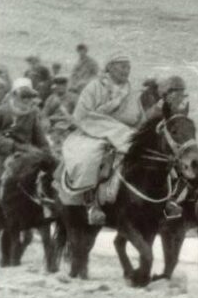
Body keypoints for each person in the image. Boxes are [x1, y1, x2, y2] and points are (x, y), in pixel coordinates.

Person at [61, 54, 143, 224]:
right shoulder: (94, 87)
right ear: (110, 67)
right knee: (89, 156)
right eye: (122, 66)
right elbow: (82, 115)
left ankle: (164, 201)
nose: (126, 71)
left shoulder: (132, 92)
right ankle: (90, 202)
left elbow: (139, 118)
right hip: (92, 132)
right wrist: (110, 121)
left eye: (128, 67)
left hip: (125, 133)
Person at [0, 78, 51, 220]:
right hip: (1, 153)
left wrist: (46, 152)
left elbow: (39, 136)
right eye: (23, 96)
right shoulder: (1, 111)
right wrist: (11, 145)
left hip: (25, 153)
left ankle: (46, 206)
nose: (27, 100)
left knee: (47, 171)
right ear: (14, 95)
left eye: (30, 97)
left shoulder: (32, 113)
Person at [42, 77, 77, 151]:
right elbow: (44, 114)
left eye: (63, 85)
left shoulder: (73, 98)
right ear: (55, 86)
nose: (60, 87)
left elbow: (78, 113)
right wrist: (47, 121)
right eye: (58, 85)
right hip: (54, 126)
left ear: (66, 86)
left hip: (69, 126)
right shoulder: (51, 99)